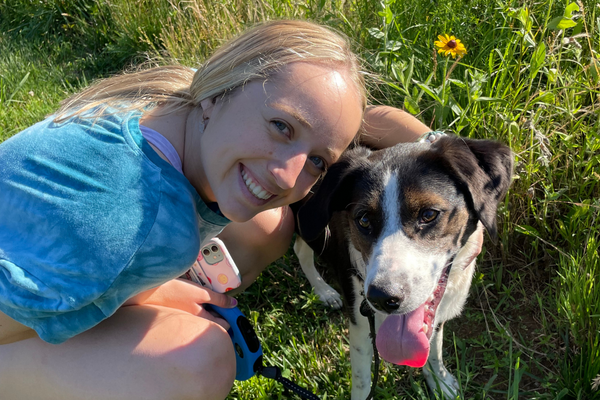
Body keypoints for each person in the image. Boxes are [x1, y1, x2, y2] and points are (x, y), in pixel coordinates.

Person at [0, 20, 482, 400]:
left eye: (316, 161)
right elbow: (22, 311)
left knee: (269, 224)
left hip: (84, 253)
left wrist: (453, 163)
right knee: (203, 357)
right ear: (218, 94)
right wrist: (152, 295)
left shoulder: (184, 103)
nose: (287, 175)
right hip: (26, 305)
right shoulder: (129, 224)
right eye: (281, 127)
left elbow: (365, 122)